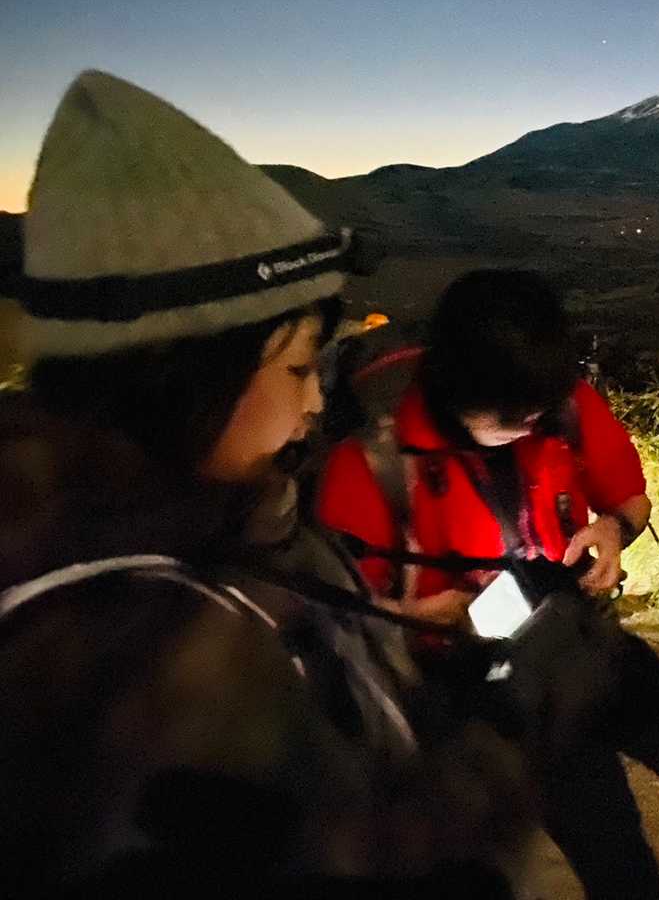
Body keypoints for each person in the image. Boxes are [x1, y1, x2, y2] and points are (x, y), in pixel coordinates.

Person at [0, 71, 527, 894]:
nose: (315, 404)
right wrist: (519, 724)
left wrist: (384, 635)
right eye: (298, 368)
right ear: (185, 375)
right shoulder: (138, 658)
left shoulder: (180, 522)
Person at [313, 268, 659, 896]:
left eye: (537, 414)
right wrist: (409, 618)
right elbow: (331, 614)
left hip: (555, 666)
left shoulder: (561, 404)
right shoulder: (370, 461)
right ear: (453, 389)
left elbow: (629, 498)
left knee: (614, 847)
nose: (528, 426)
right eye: (509, 418)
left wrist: (614, 528)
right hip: (441, 698)